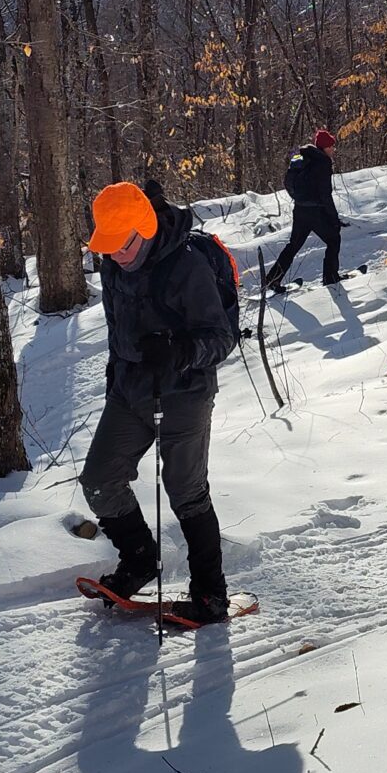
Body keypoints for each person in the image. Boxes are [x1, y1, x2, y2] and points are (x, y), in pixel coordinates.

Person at [81, 181, 240, 624]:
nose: (115, 256)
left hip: (185, 393)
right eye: (107, 248)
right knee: (98, 480)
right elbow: (117, 332)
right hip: (130, 390)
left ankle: (211, 597)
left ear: (146, 228)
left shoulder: (186, 267)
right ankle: (140, 558)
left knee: (186, 493)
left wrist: (179, 351)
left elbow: (221, 337)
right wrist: (117, 379)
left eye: (122, 245)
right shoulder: (112, 264)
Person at [266, 128, 343, 291]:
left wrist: (299, 198)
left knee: (293, 245)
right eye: (331, 147)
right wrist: (334, 219)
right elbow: (325, 194)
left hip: (300, 210)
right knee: (334, 239)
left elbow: (288, 181)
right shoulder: (323, 162)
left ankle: (271, 280)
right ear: (323, 148)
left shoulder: (302, 157)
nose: (333, 150)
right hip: (316, 212)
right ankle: (331, 278)